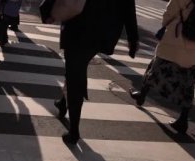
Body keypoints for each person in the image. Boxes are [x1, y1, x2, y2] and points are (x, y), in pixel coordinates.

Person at [51, 0, 140, 144]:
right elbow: (128, 6)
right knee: (75, 68)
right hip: (104, 31)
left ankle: (74, 130)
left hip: (79, 25)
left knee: (75, 73)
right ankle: (63, 103)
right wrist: (133, 37)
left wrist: (48, 9)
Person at [129, 0, 195, 134]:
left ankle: (142, 95)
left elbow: (168, 15)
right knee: (188, 83)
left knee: (155, 68)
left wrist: (168, 24)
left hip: (175, 41)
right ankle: (183, 120)